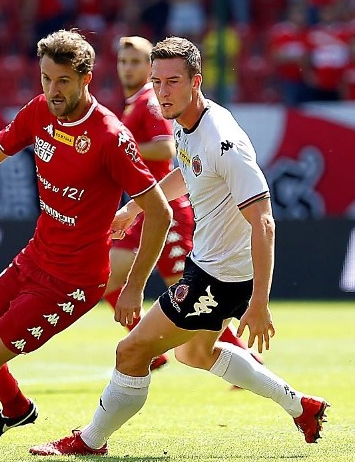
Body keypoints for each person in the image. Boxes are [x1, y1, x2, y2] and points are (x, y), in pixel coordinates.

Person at [29, 37, 329, 457]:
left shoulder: (224, 141)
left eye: (172, 82)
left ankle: (90, 440)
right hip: (209, 267)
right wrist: (136, 208)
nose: (162, 92)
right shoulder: (188, 122)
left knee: (131, 350)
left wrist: (259, 302)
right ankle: (303, 407)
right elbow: (186, 174)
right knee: (195, 352)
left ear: (196, 81)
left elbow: (264, 222)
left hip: (219, 278)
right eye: (157, 82)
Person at [0, 29, 172, 459]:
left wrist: (134, 286)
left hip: (72, 281)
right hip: (35, 257)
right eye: (46, 78)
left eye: (62, 80)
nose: (52, 90)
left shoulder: (110, 136)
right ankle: (15, 408)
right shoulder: (38, 112)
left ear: (86, 79)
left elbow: (159, 213)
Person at [109, 36, 259, 372]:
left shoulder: (155, 105)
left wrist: (114, 150)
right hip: (150, 206)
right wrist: (133, 207)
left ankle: (244, 357)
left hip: (169, 213)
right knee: (113, 277)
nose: (128, 68)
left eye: (136, 62)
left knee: (192, 296)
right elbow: (184, 163)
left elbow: (163, 152)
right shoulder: (156, 107)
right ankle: (146, 345)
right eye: (123, 61)